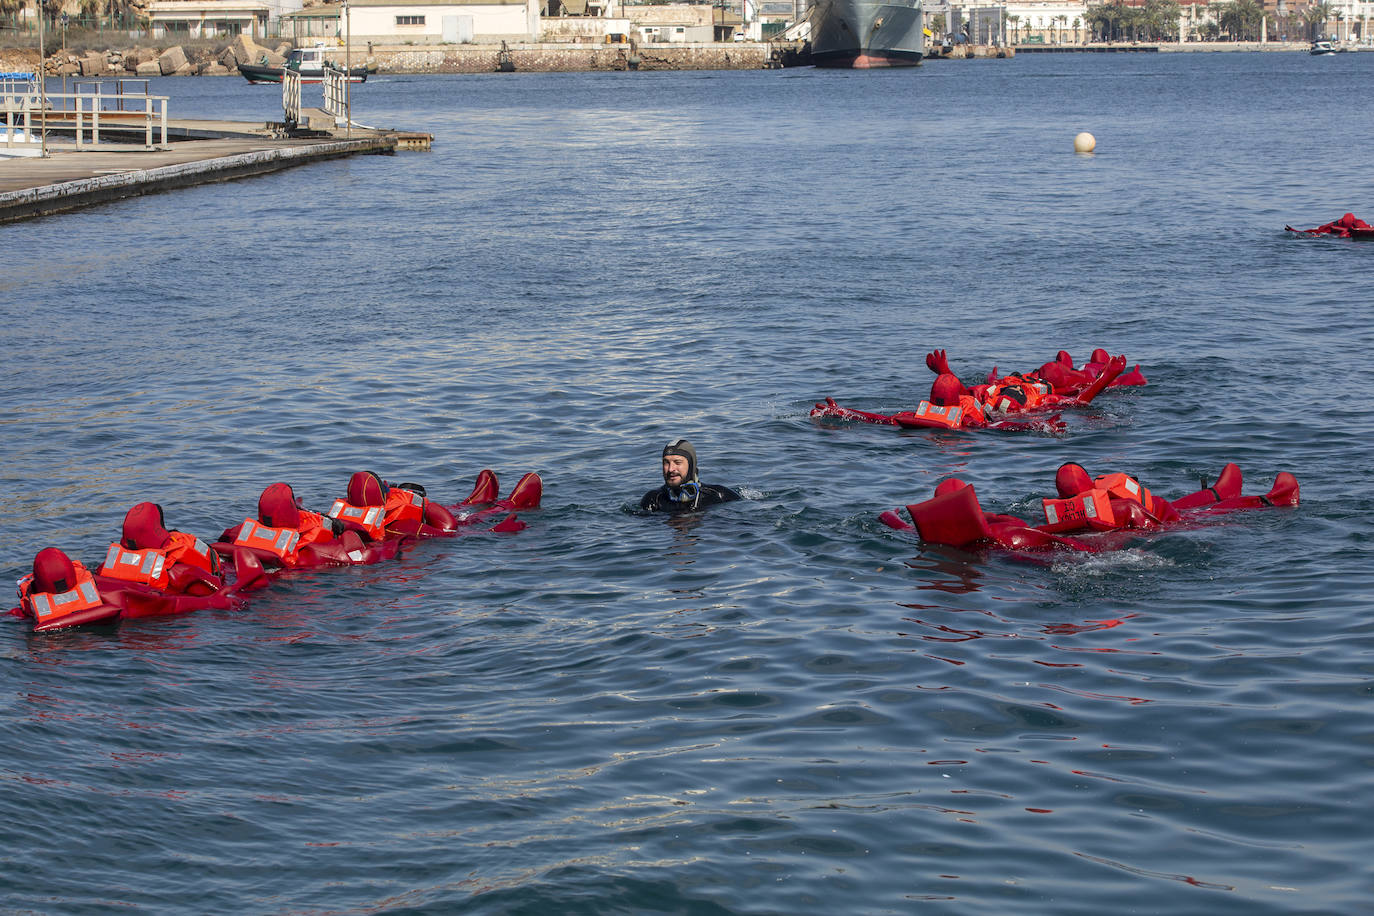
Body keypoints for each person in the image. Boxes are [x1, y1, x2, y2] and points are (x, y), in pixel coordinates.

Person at [640, 439, 741, 513]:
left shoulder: (719, 495)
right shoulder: (653, 499)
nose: (671, 469)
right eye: (666, 463)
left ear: (691, 466)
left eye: (677, 462)